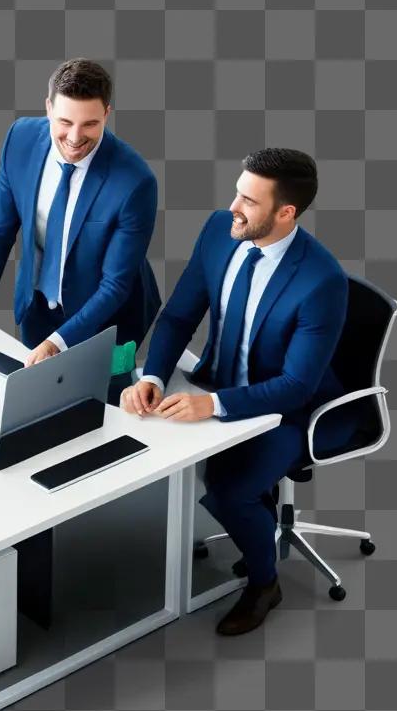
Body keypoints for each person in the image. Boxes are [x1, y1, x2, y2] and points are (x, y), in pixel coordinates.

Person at [120, 148, 355, 636]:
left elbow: (295, 385)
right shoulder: (218, 231)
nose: (233, 206)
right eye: (237, 191)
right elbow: (180, 315)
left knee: (229, 493)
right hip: (220, 377)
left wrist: (212, 405)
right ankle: (260, 529)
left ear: (285, 213)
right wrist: (153, 377)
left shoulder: (321, 281)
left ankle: (265, 583)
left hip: (288, 410)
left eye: (249, 200)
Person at [0, 59, 160, 400]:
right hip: (37, 307)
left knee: (103, 410)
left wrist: (58, 343)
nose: (75, 138)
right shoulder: (20, 138)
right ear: (48, 108)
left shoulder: (135, 182)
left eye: (90, 124)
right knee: (38, 403)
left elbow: (116, 284)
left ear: (107, 114)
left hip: (107, 322)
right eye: (65, 122)